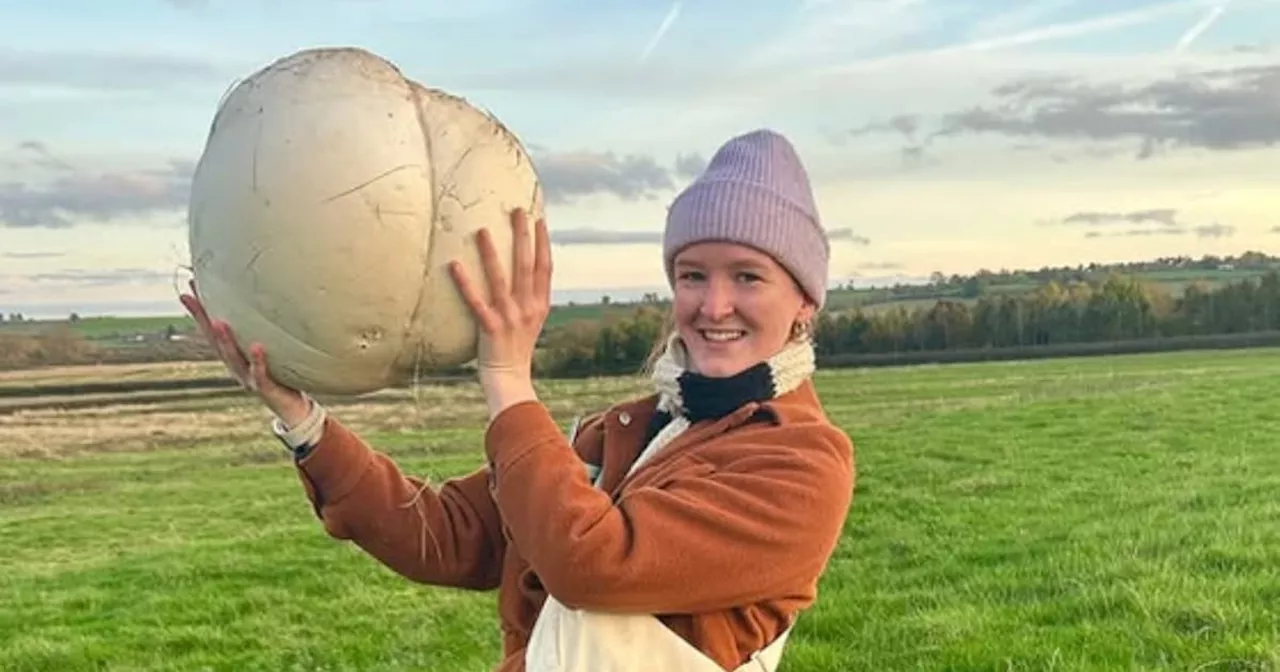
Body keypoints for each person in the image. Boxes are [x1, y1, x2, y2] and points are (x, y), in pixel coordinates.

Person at [180, 128, 855, 672]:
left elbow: (591, 563)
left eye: (748, 277)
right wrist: (301, 416)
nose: (713, 306)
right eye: (692, 275)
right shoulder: (625, 430)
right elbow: (448, 533)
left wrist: (506, 378)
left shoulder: (802, 462)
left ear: (802, 301)